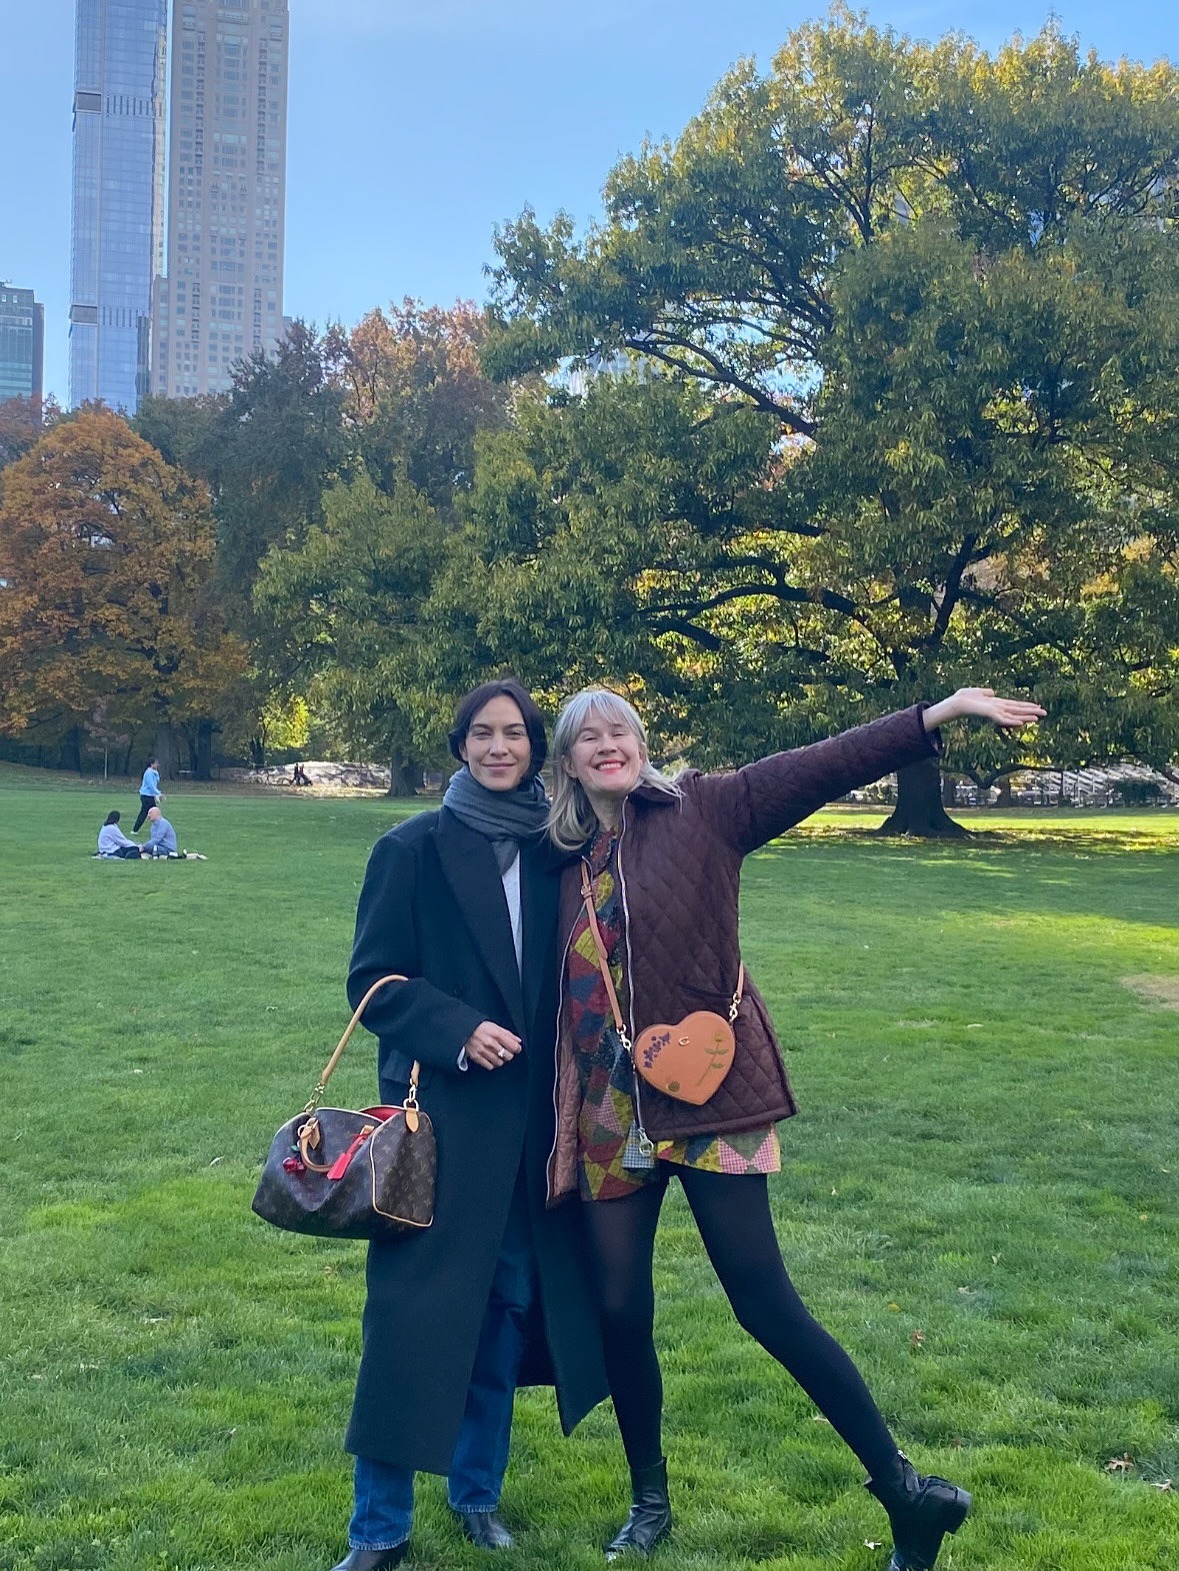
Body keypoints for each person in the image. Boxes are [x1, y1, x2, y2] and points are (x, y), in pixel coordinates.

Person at [545, 686, 1046, 1569]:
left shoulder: (705, 806)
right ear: (568, 759)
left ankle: (906, 1490)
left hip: (708, 1091)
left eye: (619, 728)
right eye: (587, 737)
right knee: (619, 1306)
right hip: (605, 1109)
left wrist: (937, 713)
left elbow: (824, 763)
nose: (607, 744)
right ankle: (647, 1499)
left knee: (763, 1300)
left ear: (641, 740)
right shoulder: (557, 856)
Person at [334, 678, 608, 1571]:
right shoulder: (409, 848)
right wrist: (456, 1028)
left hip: (532, 1134)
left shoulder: (558, 851)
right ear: (460, 746)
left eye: (516, 734)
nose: (500, 747)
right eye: (483, 734)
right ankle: (378, 1528)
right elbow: (372, 982)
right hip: (439, 1128)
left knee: (505, 1316)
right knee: (410, 1325)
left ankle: (476, 1493)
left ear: (537, 748)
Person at [133, 757, 165, 831]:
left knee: (145, 813)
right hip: (146, 796)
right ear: (152, 764)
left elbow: (155, 783)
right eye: (156, 763)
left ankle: (135, 829)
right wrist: (159, 794)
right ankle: (159, 828)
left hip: (149, 796)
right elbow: (151, 786)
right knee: (152, 812)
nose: (157, 765)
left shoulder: (154, 772)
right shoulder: (149, 773)